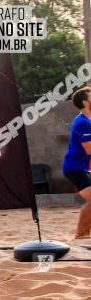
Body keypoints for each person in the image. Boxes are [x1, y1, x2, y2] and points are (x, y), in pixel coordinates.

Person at [62, 86, 91, 239]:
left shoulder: (86, 120)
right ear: (85, 102)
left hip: (81, 167)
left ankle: (85, 233)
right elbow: (89, 150)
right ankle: (80, 235)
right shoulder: (83, 123)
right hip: (75, 168)